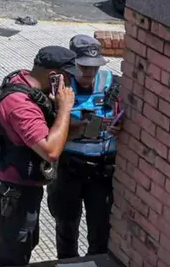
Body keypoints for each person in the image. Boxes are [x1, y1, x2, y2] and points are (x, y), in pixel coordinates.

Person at [0, 46, 79, 266]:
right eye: (69, 76)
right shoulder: (20, 105)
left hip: (16, 186)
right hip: (12, 193)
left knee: (25, 243)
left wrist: (75, 127)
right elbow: (51, 151)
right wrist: (64, 109)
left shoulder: (25, 80)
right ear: (54, 76)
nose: (71, 82)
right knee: (12, 256)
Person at [47, 35, 122, 260]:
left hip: (102, 169)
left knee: (100, 231)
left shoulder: (114, 83)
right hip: (68, 168)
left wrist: (119, 126)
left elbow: (125, 114)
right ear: (72, 65)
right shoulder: (56, 87)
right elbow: (47, 131)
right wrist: (78, 127)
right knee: (66, 226)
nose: (89, 73)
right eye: (83, 67)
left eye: (94, 67)